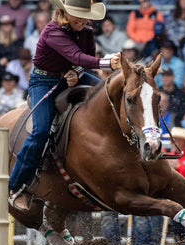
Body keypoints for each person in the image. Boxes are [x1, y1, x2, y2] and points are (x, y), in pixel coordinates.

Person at [9, 0, 120, 210]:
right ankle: (17, 187)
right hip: (43, 81)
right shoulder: (53, 31)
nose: (81, 18)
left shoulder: (86, 28)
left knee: (110, 97)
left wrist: (75, 72)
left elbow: (81, 59)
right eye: (76, 13)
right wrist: (108, 63)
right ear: (64, 12)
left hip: (72, 76)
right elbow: (78, 56)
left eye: (84, 14)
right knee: (40, 132)